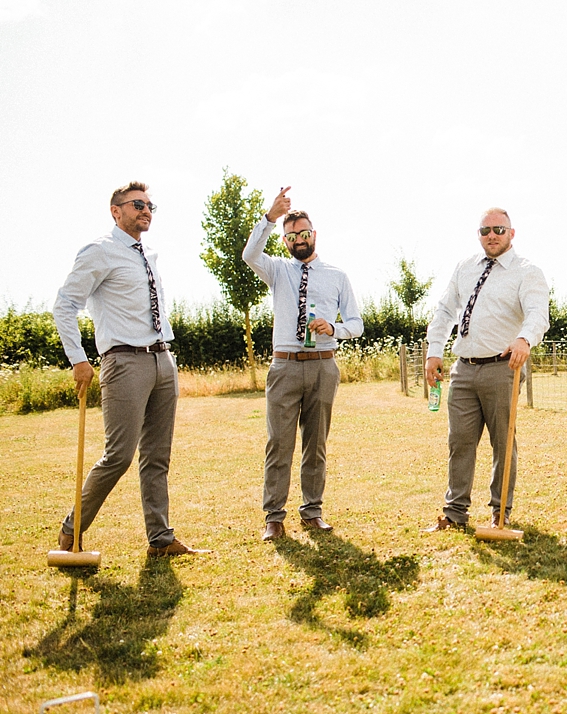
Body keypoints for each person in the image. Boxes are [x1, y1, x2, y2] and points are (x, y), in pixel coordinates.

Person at [52, 181, 206, 557]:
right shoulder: (98, 251)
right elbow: (64, 305)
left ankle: (161, 539)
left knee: (157, 455)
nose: (146, 210)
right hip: (124, 361)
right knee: (119, 455)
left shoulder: (149, 254)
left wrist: (164, 358)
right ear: (115, 210)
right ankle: (72, 529)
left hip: (162, 359)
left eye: (151, 205)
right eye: (137, 204)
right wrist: (79, 359)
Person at [243, 187, 363, 541]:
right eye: (291, 235)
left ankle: (312, 512)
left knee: (316, 442)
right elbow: (250, 254)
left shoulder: (337, 275)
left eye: (304, 233)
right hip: (285, 367)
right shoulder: (277, 270)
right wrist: (269, 218)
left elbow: (357, 324)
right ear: (284, 241)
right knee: (278, 443)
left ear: (315, 235)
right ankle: (274, 517)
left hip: (324, 365)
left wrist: (334, 328)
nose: (299, 239)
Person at [423, 209, 549, 532]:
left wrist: (524, 338)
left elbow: (537, 313)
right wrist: (434, 351)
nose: (491, 235)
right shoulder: (464, 268)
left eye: (498, 229)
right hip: (463, 370)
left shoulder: (527, 272)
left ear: (511, 232)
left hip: (502, 367)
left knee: (503, 443)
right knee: (460, 441)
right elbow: (445, 310)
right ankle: (454, 514)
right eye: (485, 230)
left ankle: (500, 512)